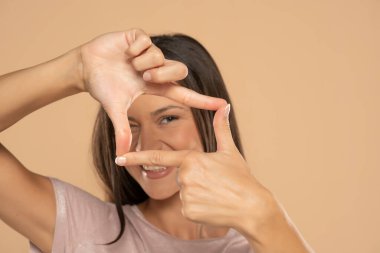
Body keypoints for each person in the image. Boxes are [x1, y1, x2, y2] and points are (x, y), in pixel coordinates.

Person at [0, 29, 313, 253]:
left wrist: (264, 215)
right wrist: (76, 70)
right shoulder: (84, 232)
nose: (145, 145)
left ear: (211, 119)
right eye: (130, 124)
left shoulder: (266, 239)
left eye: (168, 118)